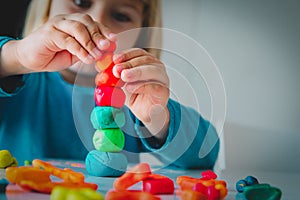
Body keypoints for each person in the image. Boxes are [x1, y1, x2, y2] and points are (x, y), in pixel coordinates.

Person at [0, 0, 219, 169]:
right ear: (47, 7)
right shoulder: (15, 79)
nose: (97, 20)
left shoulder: (135, 99)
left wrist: (157, 117)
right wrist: (16, 56)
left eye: (121, 15)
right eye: (80, 1)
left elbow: (205, 152)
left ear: (140, 38)